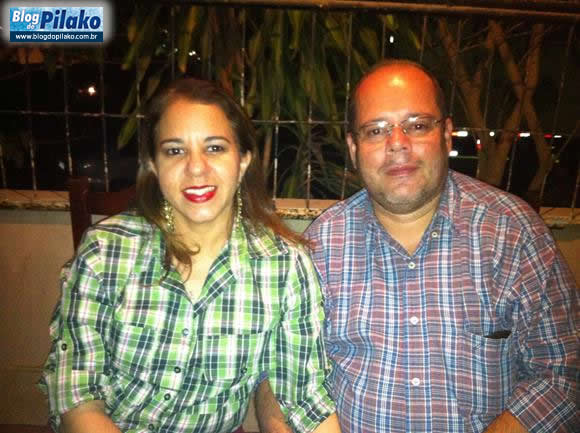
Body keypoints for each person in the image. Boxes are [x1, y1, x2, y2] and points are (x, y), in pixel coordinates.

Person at [255, 60, 579, 433]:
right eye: (376, 130)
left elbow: (563, 372)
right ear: (354, 148)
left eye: (418, 125)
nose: (397, 143)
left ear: (447, 134)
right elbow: (282, 377)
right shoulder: (321, 246)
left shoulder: (513, 232)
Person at [39, 78, 341, 433]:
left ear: (243, 160)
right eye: (175, 151)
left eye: (214, 148)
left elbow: (305, 398)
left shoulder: (285, 266)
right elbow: (77, 394)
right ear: (154, 164)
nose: (196, 167)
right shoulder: (106, 252)